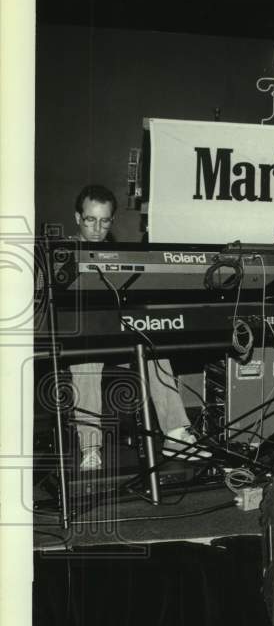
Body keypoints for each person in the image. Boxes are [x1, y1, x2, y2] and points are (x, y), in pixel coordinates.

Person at [68, 184, 204, 470]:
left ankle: (176, 435)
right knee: (85, 359)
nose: (97, 229)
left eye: (105, 221)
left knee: (155, 351)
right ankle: (90, 448)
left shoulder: (120, 255)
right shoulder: (63, 254)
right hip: (83, 338)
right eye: (90, 220)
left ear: (112, 221)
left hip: (117, 334)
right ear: (78, 218)